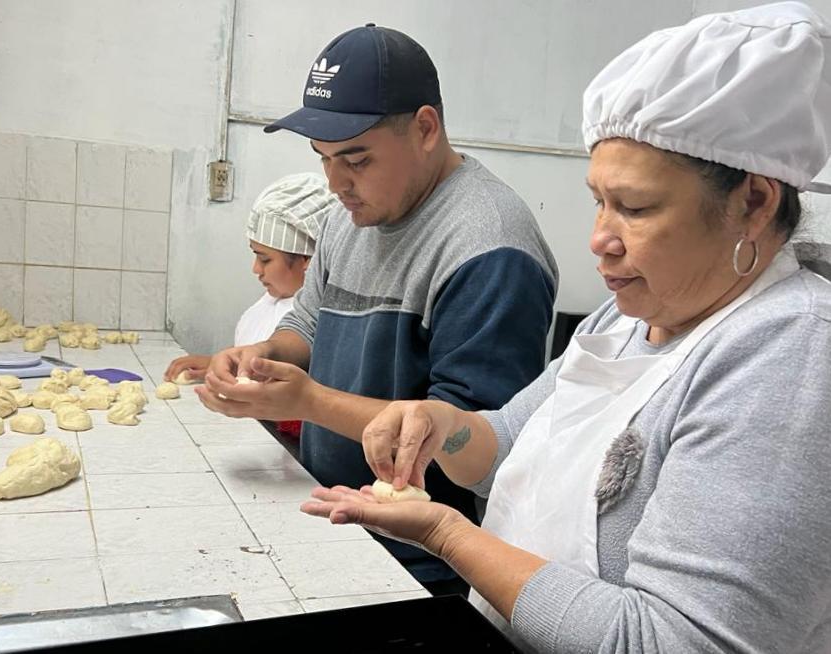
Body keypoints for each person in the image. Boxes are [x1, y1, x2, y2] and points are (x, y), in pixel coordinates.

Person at [300, 3, 831, 651]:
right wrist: (441, 425)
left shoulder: (789, 355)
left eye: (633, 207)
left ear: (751, 203)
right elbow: (507, 445)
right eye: (597, 201)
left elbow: (679, 641)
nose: (598, 240)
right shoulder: (629, 315)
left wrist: (446, 535)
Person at [196, 24, 558, 594]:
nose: (336, 183)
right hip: (330, 511)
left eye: (356, 160)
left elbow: (468, 439)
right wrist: (265, 356)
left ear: (425, 128)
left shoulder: (490, 247)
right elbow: (310, 317)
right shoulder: (347, 218)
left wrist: (307, 401)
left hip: (420, 565)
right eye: (324, 159)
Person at [164, 172, 335, 388]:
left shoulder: (320, 324)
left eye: (265, 259)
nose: (256, 269)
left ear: (307, 260)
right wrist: (220, 365)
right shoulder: (269, 303)